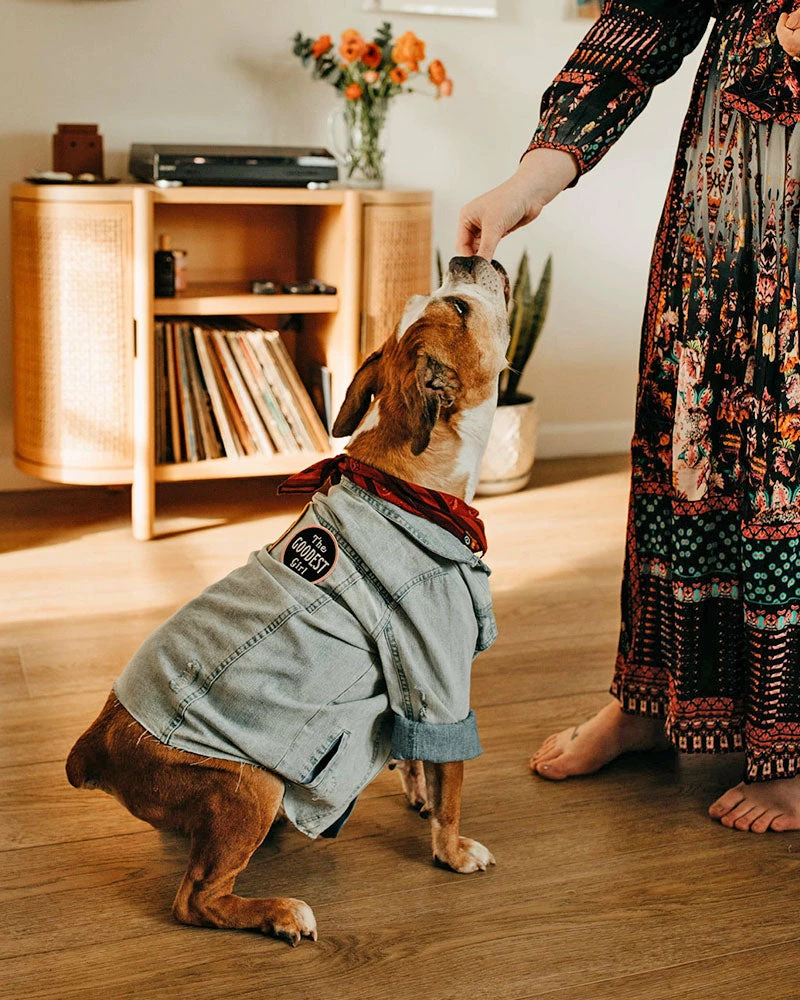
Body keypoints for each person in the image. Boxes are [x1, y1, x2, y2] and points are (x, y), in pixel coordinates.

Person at [456, 1, 800, 833]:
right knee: (683, 436)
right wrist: (528, 183)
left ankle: (793, 752)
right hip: (720, 195)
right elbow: (643, 21)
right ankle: (648, 696)